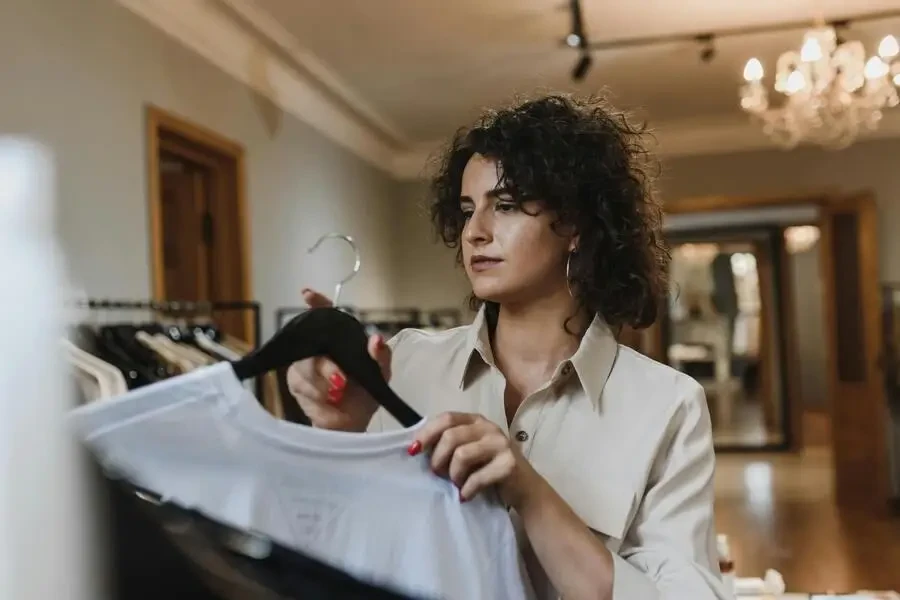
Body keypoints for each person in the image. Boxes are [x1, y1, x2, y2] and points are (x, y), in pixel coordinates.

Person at [288, 94, 728, 600]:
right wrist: (339, 435)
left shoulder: (667, 405)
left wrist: (532, 493)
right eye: (468, 210)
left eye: (507, 205)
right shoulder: (401, 364)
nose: (474, 233)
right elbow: (331, 557)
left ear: (577, 227)